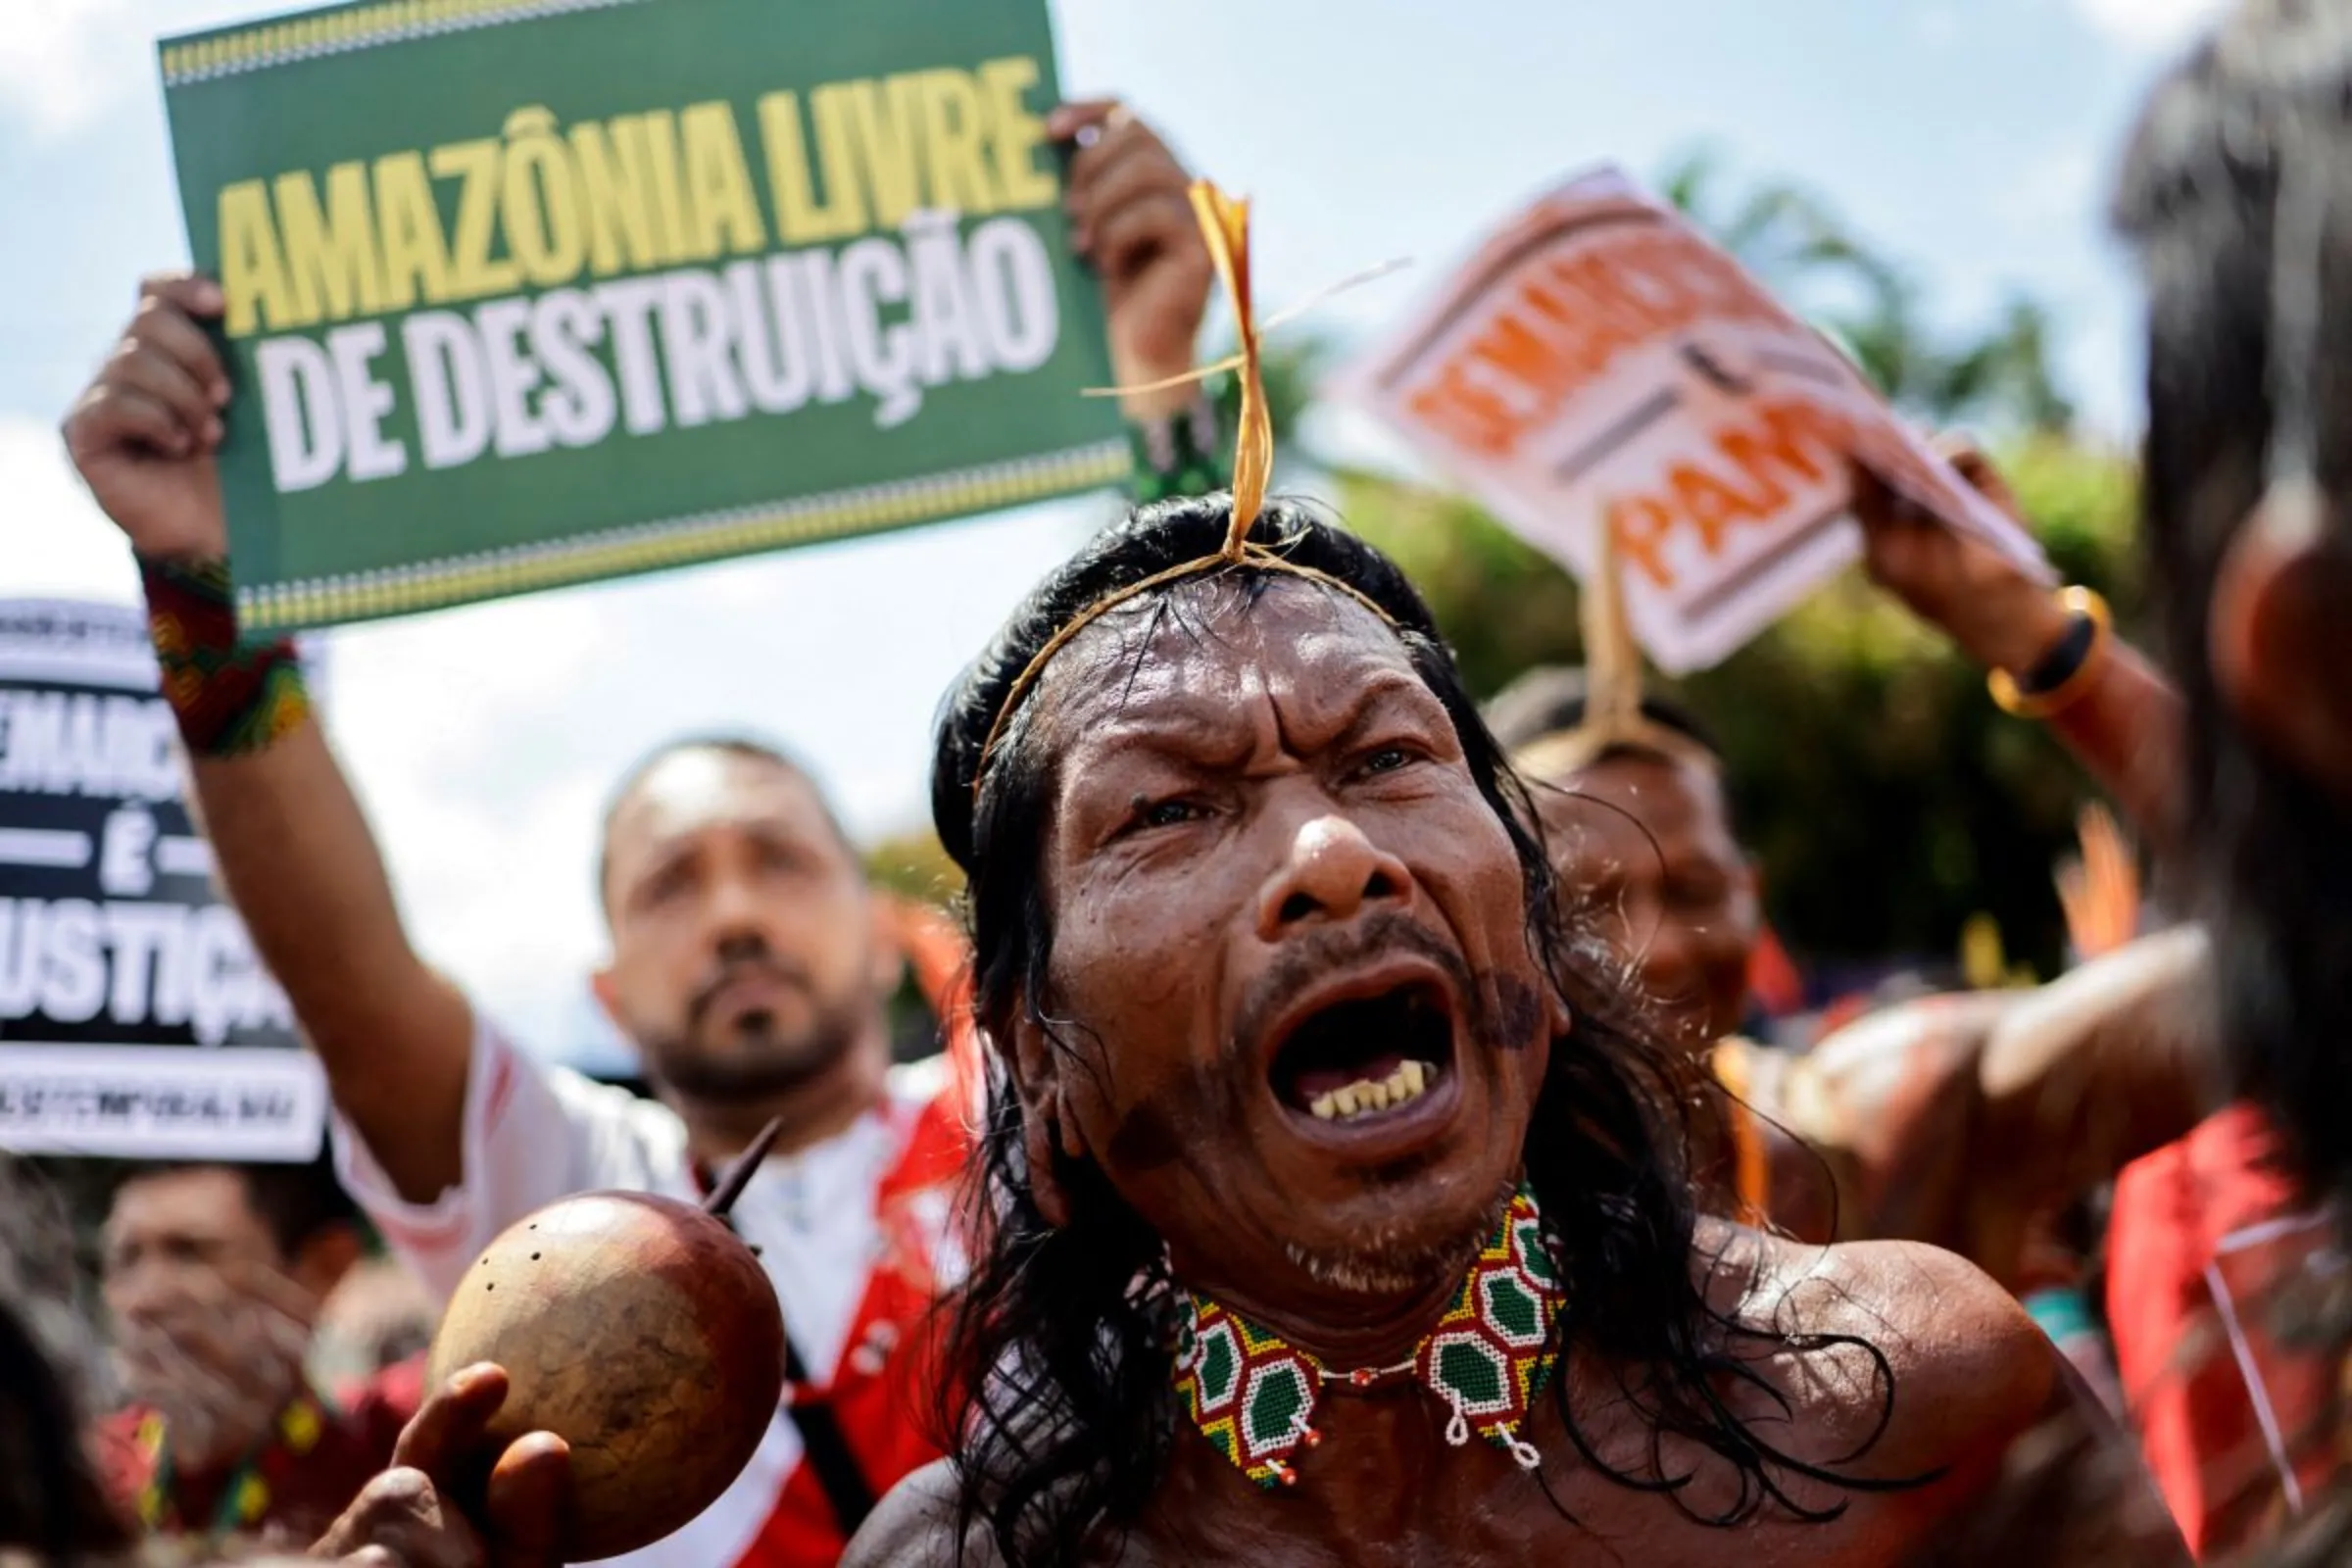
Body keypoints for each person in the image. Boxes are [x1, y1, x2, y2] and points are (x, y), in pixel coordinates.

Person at [58, 100, 1219, 1568]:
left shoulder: (1041, 1111)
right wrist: (200, 592)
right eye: (672, 884)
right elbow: (348, 983)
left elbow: (1195, 813)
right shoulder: (559, 1177)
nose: (733, 911)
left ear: (881, 934)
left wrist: (1167, 393)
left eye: (782, 860)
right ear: (606, 990)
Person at [841, 490, 2182, 1567]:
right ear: (1034, 1053)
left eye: (1386, 759)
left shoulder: (1909, 1401)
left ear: (1533, 946)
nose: (1332, 850)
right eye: (1169, 811)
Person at [88, 1155, 424, 1550]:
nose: (143, 1300)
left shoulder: (395, 1450)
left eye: (190, 1253)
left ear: (323, 1268)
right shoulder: (76, 1473)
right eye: (125, 1258)